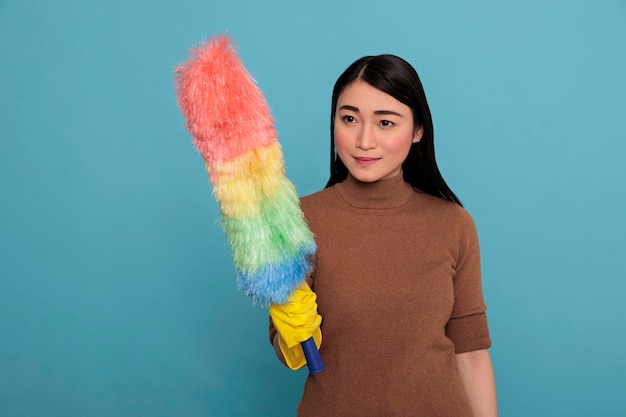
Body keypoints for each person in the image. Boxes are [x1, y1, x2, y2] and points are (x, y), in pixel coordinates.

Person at [269, 54, 497, 417]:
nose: (364, 140)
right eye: (349, 119)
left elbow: (470, 354)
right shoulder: (298, 221)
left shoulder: (453, 224)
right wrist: (291, 324)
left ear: (418, 130)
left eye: (386, 122)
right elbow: (288, 353)